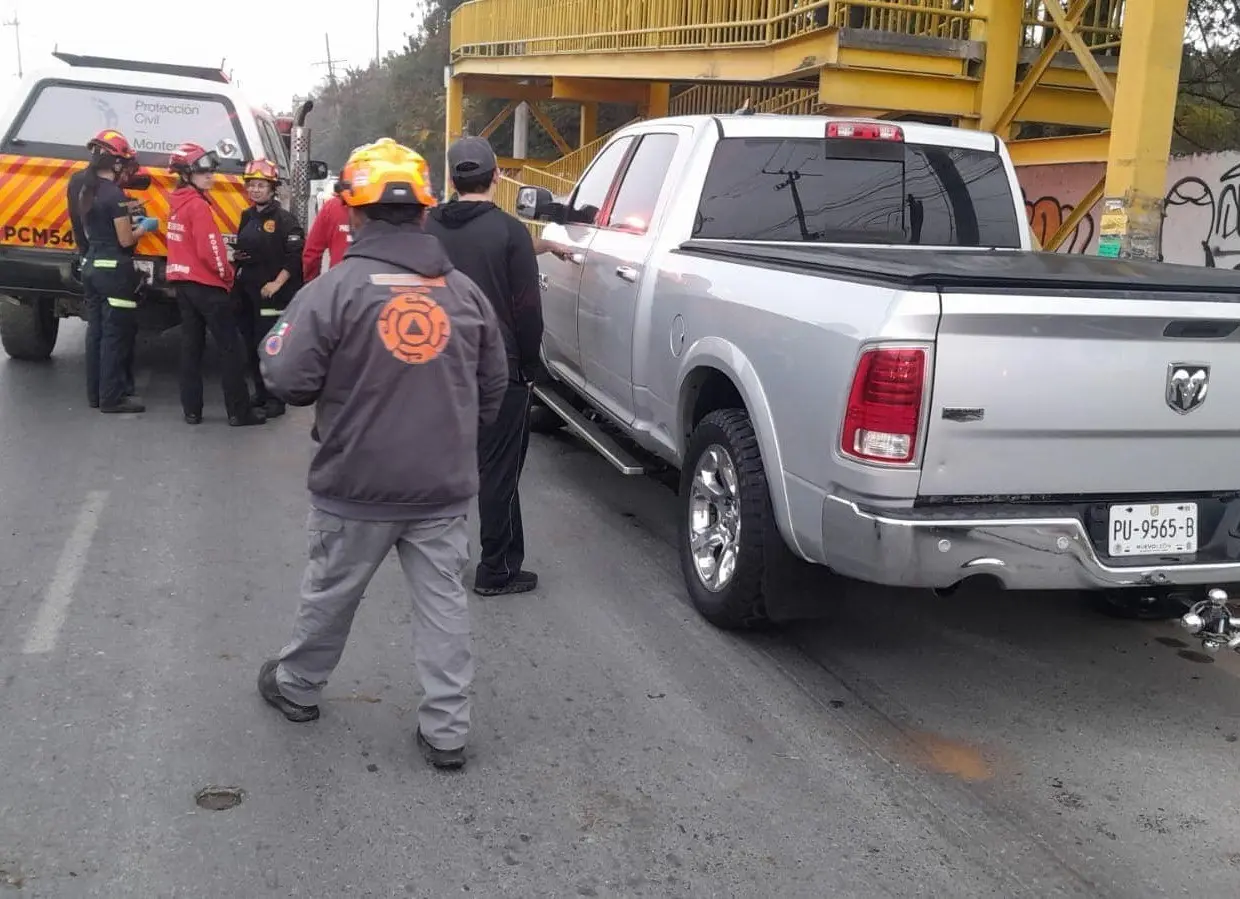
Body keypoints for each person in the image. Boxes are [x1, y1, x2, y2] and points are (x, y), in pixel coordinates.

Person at [256, 137, 508, 771]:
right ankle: (447, 731)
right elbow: (494, 385)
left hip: (355, 485)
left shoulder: (334, 290)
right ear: (425, 211)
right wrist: (454, 437)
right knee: (443, 606)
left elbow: (286, 379)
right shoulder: (465, 294)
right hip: (441, 488)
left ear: (353, 211)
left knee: (331, 594)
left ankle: (297, 687)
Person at [424, 135, 549, 597]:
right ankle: (495, 568)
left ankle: (435, 562)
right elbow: (527, 310)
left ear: (452, 179)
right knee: (498, 471)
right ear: (496, 176)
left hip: (438, 366)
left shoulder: (425, 229)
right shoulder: (510, 232)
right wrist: (531, 367)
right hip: (499, 371)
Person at [165, 142, 265, 427]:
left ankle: (192, 411)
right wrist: (228, 277)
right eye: (203, 172)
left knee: (190, 348)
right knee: (231, 349)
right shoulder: (197, 207)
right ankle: (239, 412)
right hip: (208, 288)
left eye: (211, 171)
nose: (211, 177)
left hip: (183, 285)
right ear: (186, 174)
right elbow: (211, 251)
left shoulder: (177, 203)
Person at [75, 129, 154, 414]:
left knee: (95, 331)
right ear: (117, 163)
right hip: (113, 273)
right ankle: (112, 398)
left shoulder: (87, 189)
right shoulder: (114, 194)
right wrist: (143, 227)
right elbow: (125, 240)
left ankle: (95, 395)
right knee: (115, 336)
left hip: (92, 266)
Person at [233, 159, 305, 419]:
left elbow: (295, 258)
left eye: (260, 185)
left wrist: (277, 283)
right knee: (251, 345)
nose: (255, 190)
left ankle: (275, 399)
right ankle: (260, 394)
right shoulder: (246, 216)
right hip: (248, 291)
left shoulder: (285, 220)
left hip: (273, 294)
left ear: (272, 188)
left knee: (270, 347)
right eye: (251, 185)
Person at [301, 185, 350, 284]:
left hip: (340, 286)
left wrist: (311, 284)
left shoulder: (333, 206)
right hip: (384, 291)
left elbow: (311, 254)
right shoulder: (388, 207)